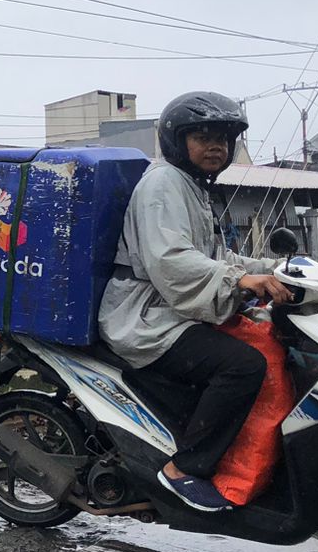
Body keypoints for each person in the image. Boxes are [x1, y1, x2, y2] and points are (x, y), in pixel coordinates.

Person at [98, 92, 292, 512]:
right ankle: (184, 468)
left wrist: (273, 267)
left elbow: (212, 256)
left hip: (171, 309)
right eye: (201, 137)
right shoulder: (164, 184)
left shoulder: (192, 187)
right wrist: (241, 279)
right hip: (146, 317)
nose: (215, 146)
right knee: (242, 365)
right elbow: (172, 261)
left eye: (222, 137)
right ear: (176, 141)